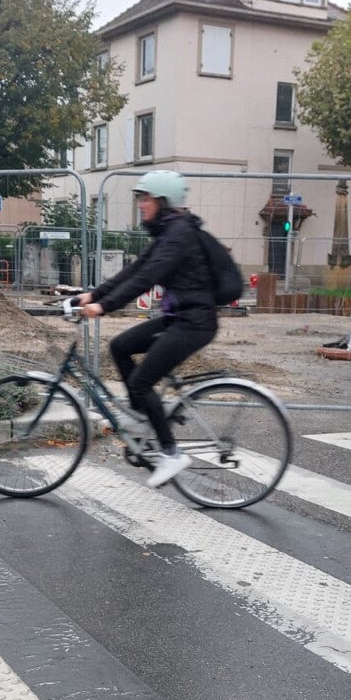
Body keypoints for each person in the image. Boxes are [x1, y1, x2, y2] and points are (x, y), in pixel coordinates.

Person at [77, 170, 218, 488]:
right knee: (120, 346)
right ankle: (144, 417)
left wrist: (103, 307)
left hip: (194, 323)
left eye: (145, 199)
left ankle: (170, 452)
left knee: (141, 383)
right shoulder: (169, 231)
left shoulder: (179, 233)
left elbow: (147, 277)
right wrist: (94, 295)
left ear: (163, 201)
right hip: (179, 318)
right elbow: (137, 268)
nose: (141, 205)